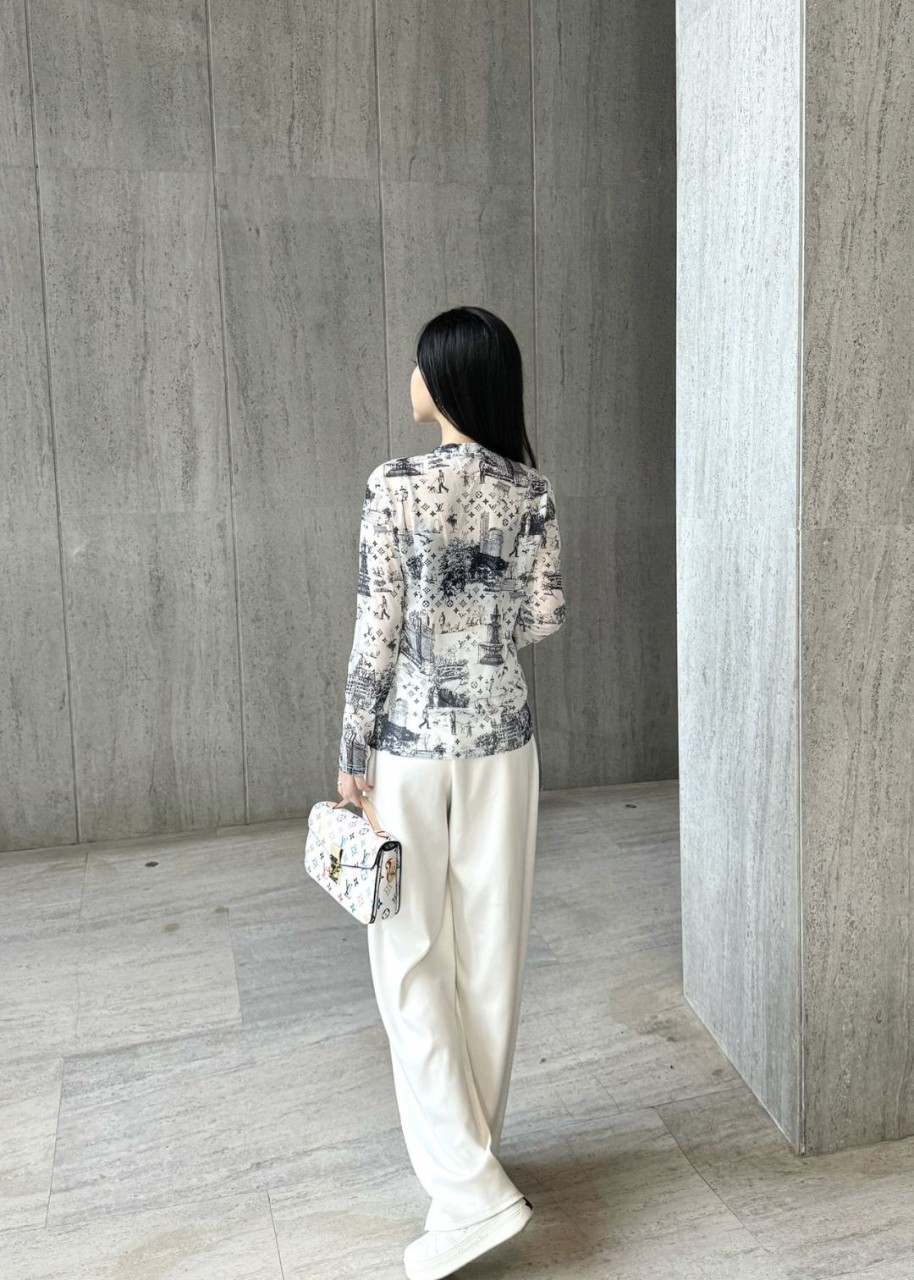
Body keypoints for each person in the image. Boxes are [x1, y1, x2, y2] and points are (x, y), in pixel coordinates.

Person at [334, 306, 566, 1280]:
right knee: (491, 954)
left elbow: (377, 625)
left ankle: (469, 1191)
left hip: (407, 749)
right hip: (503, 741)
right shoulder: (531, 490)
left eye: (420, 364)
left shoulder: (393, 485)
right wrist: (485, 628)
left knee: (407, 957)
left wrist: (351, 745)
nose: (411, 377)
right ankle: (473, 1170)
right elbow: (544, 616)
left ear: (445, 379)